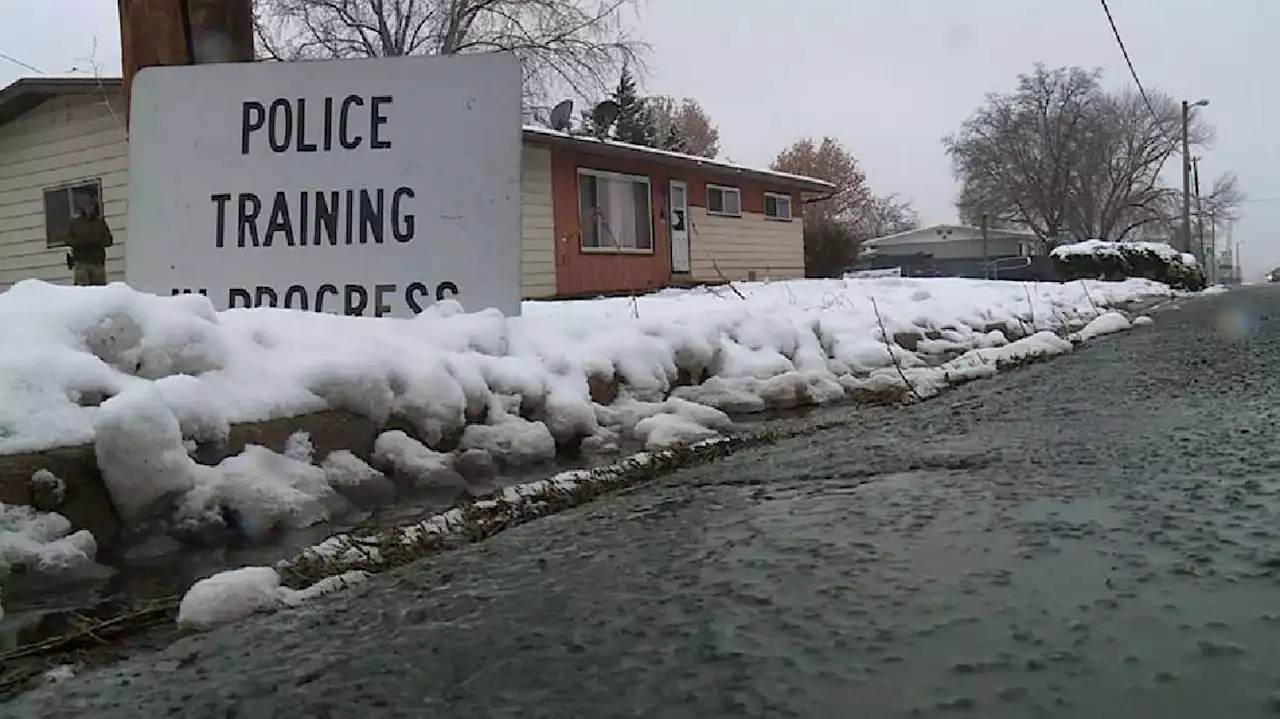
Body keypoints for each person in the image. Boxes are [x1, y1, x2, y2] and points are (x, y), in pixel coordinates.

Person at [61, 191, 114, 286]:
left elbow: (108, 240)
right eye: (86, 205)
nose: (89, 208)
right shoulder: (76, 223)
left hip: (97, 261)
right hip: (81, 260)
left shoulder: (99, 222)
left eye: (91, 205)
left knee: (99, 290)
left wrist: (97, 241)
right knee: (82, 289)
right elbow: (66, 238)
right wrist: (79, 242)